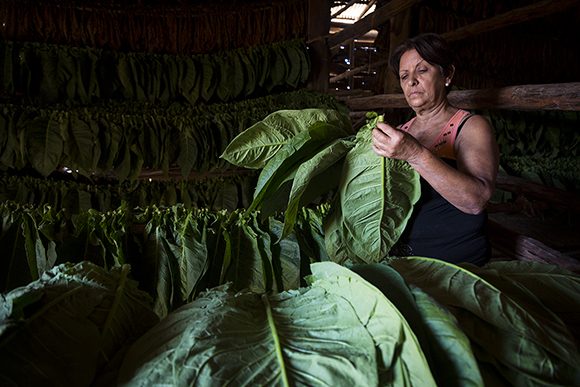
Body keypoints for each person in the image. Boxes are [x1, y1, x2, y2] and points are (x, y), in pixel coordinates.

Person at [371, 33, 499, 266]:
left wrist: (414, 154)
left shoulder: (470, 127)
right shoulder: (400, 132)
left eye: (422, 70)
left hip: (455, 265)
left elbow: (476, 200)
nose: (411, 82)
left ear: (447, 75)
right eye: (404, 76)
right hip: (404, 261)